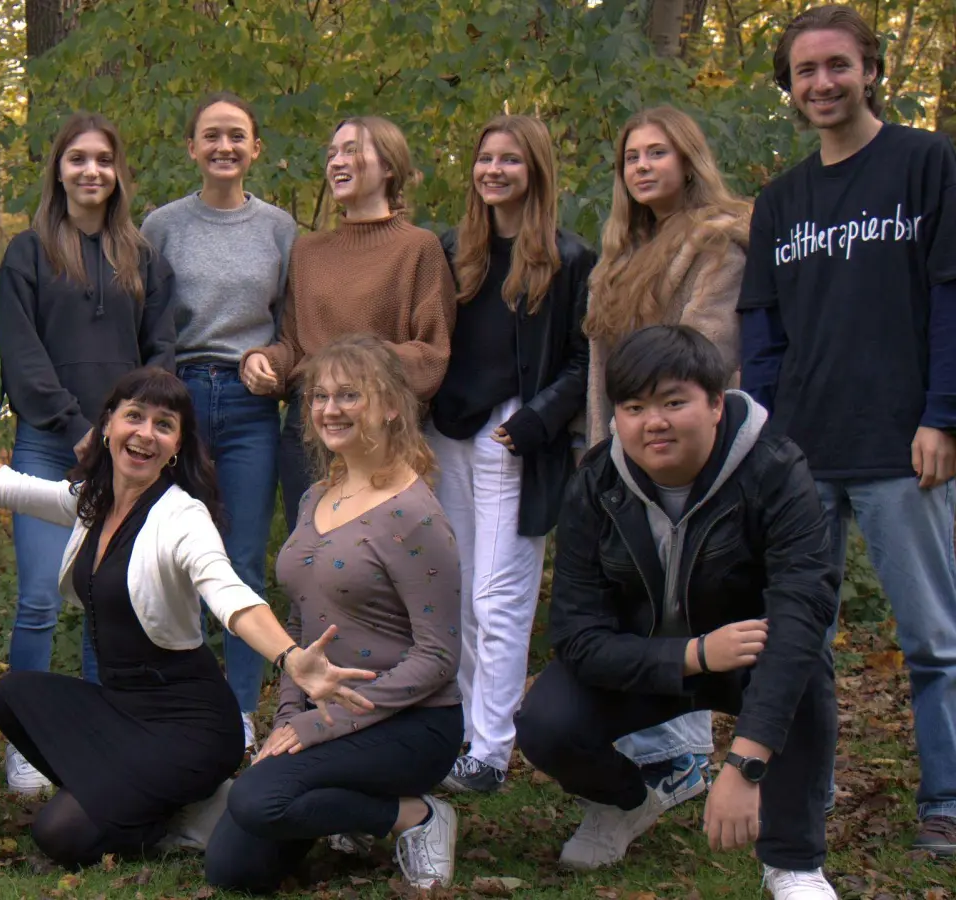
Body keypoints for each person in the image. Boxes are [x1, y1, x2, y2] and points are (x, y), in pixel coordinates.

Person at [0, 366, 375, 868]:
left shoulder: (183, 518)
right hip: (123, 710)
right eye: (134, 417)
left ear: (177, 446)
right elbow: (6, 484)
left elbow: (229, 594)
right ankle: (157, 802)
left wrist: (290, 656)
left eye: (164, 425)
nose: (145, 434)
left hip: (191, 727)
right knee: (12, 694)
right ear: (108, 426)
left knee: (59, 834)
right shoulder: (93, 501)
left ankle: (171, 807)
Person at [515, 325, 840, 899]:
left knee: (805, 673)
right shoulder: (596, 483)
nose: (653, 422)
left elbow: (801, 612)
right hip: (649, 660)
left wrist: (746, 764)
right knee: (545, 722)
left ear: (716, 404)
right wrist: (691, 654)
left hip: (748, 654)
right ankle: (628, 803)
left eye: (673, 402)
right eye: (634, 407)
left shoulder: (775, 470)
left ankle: (793, 861)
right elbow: (576, 634)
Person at [739, 3, 956, 856]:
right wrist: (767, 444)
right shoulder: (782, 200)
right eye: (805, 72)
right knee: (801, 642)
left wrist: (943, 415)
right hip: (802, 455)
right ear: (790, 89)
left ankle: (945, 802)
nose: (822, 83)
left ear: (871, 69)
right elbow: (763, 337)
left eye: (838, 65)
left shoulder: (926, 164)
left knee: (933, 639)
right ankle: (804, 803)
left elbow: (949, 298)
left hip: (905, 444)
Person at [204, 335, 465, 893]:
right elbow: (301, 625)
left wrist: (322, 724)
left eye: (349, 395)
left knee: (256, 798)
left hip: (411, 723)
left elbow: (439, 658)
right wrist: (289, 719)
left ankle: (416, 817)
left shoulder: (415, 514)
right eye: (319, 396)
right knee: (233, 870)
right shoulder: (315, 496)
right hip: (325, 714)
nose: (329, 409)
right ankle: (348, 809)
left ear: (392, 404)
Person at [582, 104, 754, 819]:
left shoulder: (719, 241)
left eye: (657, 153)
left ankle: (722, 753)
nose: (644, 166)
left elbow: (706, 350)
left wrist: (658, 430)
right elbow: (597, 367)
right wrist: (601, 453)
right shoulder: (616, 259)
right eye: (632, 157)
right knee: (638, 598)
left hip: (690, 450)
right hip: (618, 454)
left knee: (696, 595)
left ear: (688, 159)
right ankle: (664, 752)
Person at [0, 112, 175, 794]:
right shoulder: (28, 252)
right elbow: (23, 353)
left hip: (126, 453)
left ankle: (109, 736)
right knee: (41, 597)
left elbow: (163, 349)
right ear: (59, 170)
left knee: (111, 599)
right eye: (78, 159)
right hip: (50, 441)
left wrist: (133, 430)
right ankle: (27, 744)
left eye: (103, 158)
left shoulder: (143, 255)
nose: (91, 171)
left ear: (118, 171)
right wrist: (76, 424)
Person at [425, 115, 593, 794]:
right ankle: (461, 732)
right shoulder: (451, 250)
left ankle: (491, 750)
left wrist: (538, 419)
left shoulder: (568, 258)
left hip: (512, 440)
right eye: (486, 159)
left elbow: (586, 361)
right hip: (446, 433)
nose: (495, 171)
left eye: (511, 161)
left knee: (498, 598)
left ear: (537, 171)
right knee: (455, 593)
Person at [141, 92, 298, 750]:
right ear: (192, 147)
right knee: (168, 557)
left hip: (247, 402)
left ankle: (236, 711)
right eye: (211, 135)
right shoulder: (162, 226)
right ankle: (175, 701)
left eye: (237, 135)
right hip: (177, 403)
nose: (224, 146)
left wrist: (275, 360)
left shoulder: (281, 229)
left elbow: (296, 326)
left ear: (256, 148)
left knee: (240, 560)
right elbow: (146, 318)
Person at [240, 115, 454, 517]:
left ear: (389, 166)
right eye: (332, 153)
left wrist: (356, 371)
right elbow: (294, 345)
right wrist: (262, 361)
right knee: (310, 560)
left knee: (377, 561)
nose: (336, 161)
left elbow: (432, 354)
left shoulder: (419, 249)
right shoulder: (309, 251)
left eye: (352, 150)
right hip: (310, 429)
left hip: (383, 430)